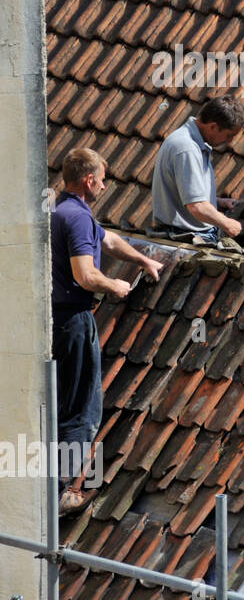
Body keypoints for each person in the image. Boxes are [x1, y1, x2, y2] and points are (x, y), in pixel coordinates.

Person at [51, 149, 162, 513]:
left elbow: (108, 240)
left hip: (54, 318)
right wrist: (114, 285)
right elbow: (85, 275)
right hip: (73, 319)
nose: (105, 184)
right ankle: (59, 493)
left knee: (60, 402)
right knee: (82, 408)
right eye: (101, 178)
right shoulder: (76, 219)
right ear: (88, 180)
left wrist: (143, 259)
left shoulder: (62, 210)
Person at [150, 95, 244, 248]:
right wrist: (226, 223)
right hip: (184, 234)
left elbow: (185, 193)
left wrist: (216, 202)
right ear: (212, 126)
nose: (230, 141)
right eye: (228, 135)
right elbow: (196, 207)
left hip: (192, 229)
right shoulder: (187, 148)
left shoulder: (190, 142)